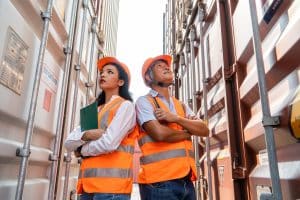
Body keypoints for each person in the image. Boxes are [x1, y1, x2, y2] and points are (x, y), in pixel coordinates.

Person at [135, 54, 209, 200]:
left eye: (166, 65)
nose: (166, 67)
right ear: (149, 78)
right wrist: (188, 133)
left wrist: (175, 118)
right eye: (159, 66)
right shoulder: (144, 102)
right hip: (158, 182)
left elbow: (204, 130)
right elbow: (159, 134)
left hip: (186, 180)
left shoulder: (180, 105)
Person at [64, 57, 137, 200]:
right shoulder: (92, 110)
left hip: (112, 190)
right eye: (102, 72)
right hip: (87, 188)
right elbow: (68, 143)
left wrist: (82, 150)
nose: (102, 75)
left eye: (110, 72)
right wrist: (86, 136)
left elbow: (109, 143)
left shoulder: (125, 106)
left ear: (120, 82)